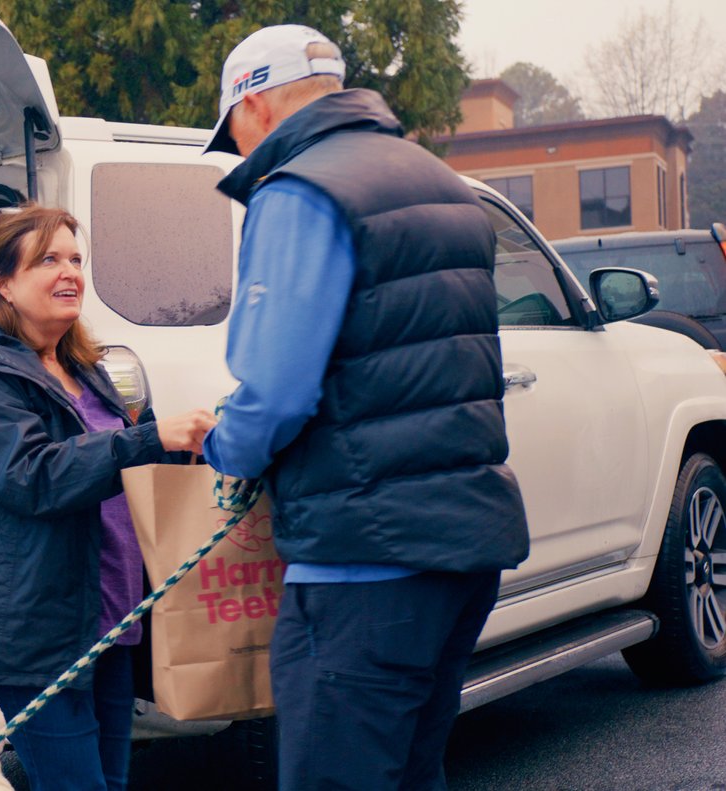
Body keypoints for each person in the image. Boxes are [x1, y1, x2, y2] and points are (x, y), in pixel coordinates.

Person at [199, 25, 530, 790]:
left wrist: (225, 449)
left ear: (251, 101)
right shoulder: (440, 180)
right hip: (463, 543)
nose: (239, 151)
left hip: (364, 559)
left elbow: (276, 387)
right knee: (414, 772)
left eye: (232, 131)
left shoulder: (300, 190)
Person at [0, 204, 215, 790]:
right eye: (48, 260)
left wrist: (197, 447)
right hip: (35, 638)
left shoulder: (90, 369)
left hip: (108, 623)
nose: (70, 272)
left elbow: (138, 462)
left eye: (76, 259)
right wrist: (152, 437)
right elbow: (30, 475)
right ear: (1, 282)